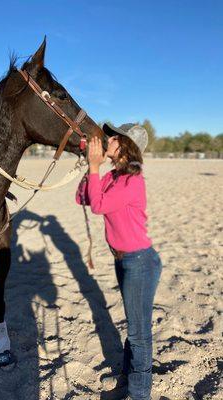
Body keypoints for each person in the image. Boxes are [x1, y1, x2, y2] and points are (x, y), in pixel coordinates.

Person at [75, 123, 163, 400]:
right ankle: (128, 383)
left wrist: (93, 167)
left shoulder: (132, 180)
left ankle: (139, 395)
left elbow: (99, 205)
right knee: (134, 327)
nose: (107, 139)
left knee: (138, 333)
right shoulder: (113, 176)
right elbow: (82, 198)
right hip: (125, 260)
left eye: (113, 137)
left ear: (125, 146)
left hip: (140, 262)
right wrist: (89, 165)